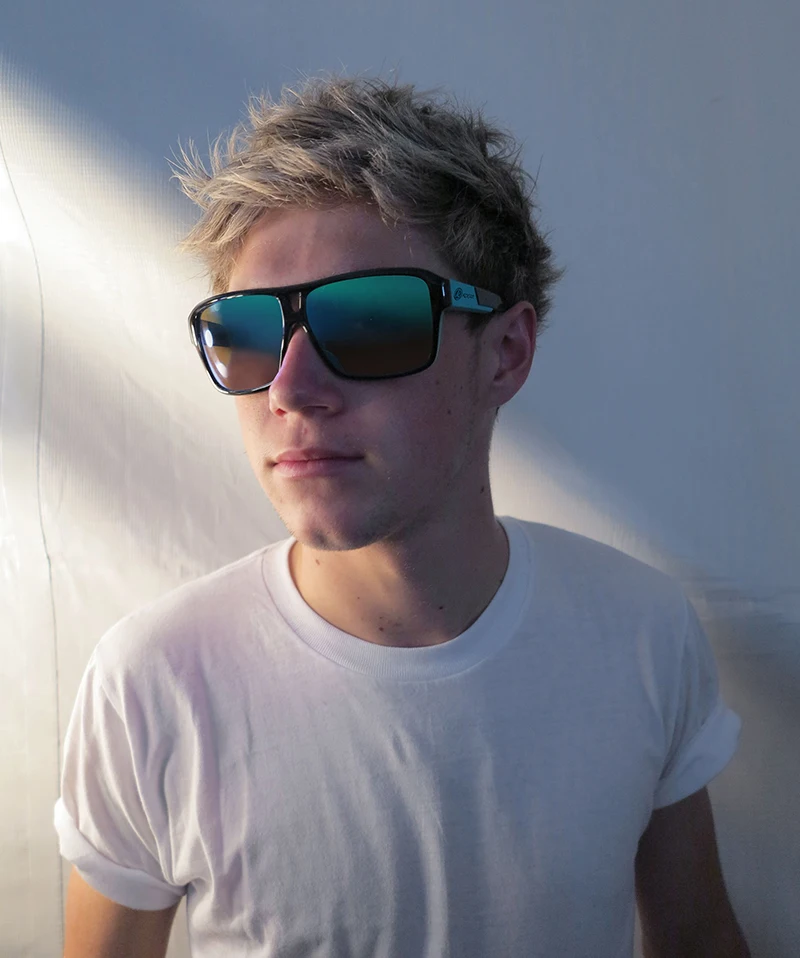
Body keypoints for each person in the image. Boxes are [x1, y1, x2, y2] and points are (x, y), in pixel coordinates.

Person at [55, 74, 750, 957]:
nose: (290, 389)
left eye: (370, 322)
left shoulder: (641, 635)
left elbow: (698, 938)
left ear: (506, 353)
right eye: (248, 332)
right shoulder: (154, 684)